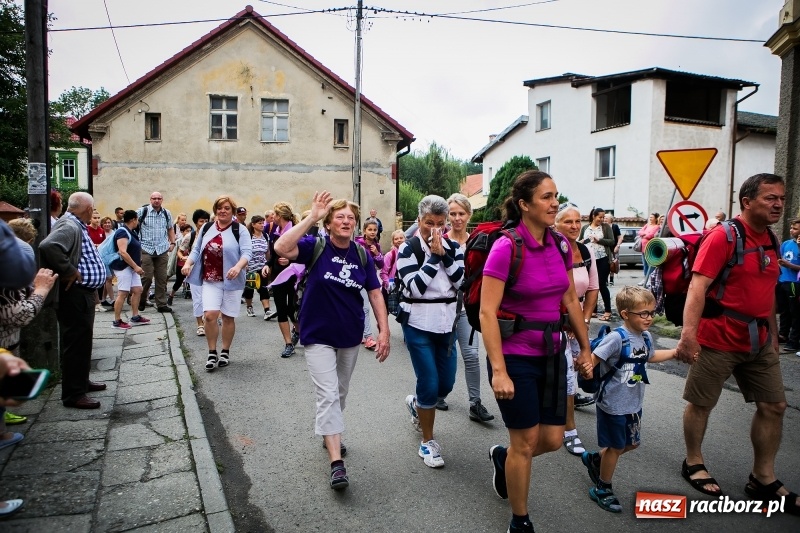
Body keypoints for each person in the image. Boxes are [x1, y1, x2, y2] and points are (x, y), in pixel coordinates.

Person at [675, 173, 800, 516]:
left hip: (759, 339)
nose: (778, 204)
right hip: (718, 337)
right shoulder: (722, 236)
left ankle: (762, 478)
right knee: (702, 403)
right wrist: (689, 335)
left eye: (781, 198)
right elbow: (697, 288)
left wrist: (773, 335)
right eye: (770, 198)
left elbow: (767, 291)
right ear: (747, 202)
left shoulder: (772, 240)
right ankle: (693, 461)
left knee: (775, 406)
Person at [483, 171, 593, 533]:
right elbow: (487, 312)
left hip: (553, 352)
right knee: (526, 441)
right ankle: (520, 520)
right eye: (546, 197)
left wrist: (585, 348)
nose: (554, 203)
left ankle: (504, 457)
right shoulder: (506, 247)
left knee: (552, 439)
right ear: (524, 204)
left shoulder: (560, 244)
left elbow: (570, 298)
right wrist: (499, 370)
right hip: (515, 356)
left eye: (556, 196)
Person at [274, 191, 390, 490]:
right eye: (340, 217)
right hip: (317, 334)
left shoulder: (362, 254)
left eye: (351, 217)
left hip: (350, 333)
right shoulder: (315, 246)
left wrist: (384, 330)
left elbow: (375, 293)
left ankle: (329, 433)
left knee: (340, 392)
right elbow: (281, 247)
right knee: (327, 394)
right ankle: (337, 462)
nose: (347, 221)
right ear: (328, 223)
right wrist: (311, 217)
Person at [581, 287, 676, 513]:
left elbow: (651, 356)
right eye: (643, 313)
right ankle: (603, 488)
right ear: (625, 314)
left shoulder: (646, 337)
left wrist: (676, 352)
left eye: (652, 312)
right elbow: (592, 360)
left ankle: (597, 460)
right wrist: (584, 368)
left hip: (633, 403)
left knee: (631, 443)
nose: (649, 318)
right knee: (615, 446)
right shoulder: (616, 339)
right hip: (612, 404)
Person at [399, 195, 464, 469]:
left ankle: (418, 404)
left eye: (440, 224)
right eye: (429, 223)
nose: (435, 229)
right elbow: (414, 288)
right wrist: (433, 258)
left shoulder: (454, 248)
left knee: (445, 384)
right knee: (428, 380)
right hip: (417, 323)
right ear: (419, 221)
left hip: (447, 324)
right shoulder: (408, 249)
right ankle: (428, 441)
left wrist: (444, 254)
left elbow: (461, 282)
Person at [39, 192, 109, 409]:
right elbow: (48, 246)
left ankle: (81, 382)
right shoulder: (70, 225)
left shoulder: (75, 223)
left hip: (83, 293)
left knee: (82, 341)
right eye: (92, 209)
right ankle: (73, 394)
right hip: (74, 294)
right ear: (88, 209)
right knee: (76, 343)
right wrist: (69, 270)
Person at [432, 193, 495, 422]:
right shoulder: (439, 240)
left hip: (468, 307)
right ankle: (438, 393)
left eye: (461, 213)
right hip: (444, 307)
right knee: (443, 354)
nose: (457, 218)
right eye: (453, 214)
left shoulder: (478, 242)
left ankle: (475, 403)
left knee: (471, 355)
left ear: (469, 215)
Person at [183, 196, 252, 371]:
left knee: (228, 317)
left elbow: (247, 252)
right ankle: (212, 352)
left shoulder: (240, 229)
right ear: (215, 210)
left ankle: (225, 351)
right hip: (210, 279)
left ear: (232, 211)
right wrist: (188, 263)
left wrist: (238, 267)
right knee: (209, 315)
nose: (223, 211)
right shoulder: (207, 228)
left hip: (231, 279)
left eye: (227, 208)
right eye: (219, 208)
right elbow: (196, 249)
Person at [556, 203, 599, 455]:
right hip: (557, 322)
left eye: (577, 221)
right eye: (567, 221)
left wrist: (583, 320)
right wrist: (568, 321)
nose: (574, 226)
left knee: (574, 371)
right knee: (567, 376)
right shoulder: (552, 249)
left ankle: (563, 419)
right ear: (555, 224)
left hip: (578, 321)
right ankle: (569, 430)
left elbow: (592, 288)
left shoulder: (585, 250)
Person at [267, 201, 301, 356]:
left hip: (293, 277)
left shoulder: (295, 232)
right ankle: (288, 344)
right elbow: (273, 255)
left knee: (292, 309)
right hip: (277, 277)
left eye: (274, 214)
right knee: (281, 309)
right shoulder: (275, 232)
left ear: (279, 215)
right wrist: (267, 265)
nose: (272, 216)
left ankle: (298, 331)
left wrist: (290, 260)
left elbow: (303, 255)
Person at [108, 210, 151, 330]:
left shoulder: (131, 232)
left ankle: (135, 316)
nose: (138, 222)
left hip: (131, 267)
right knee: (123, 293)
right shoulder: (122, 232)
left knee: (137, 290)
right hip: (123, 267)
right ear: (133, 219)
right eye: (137, 220)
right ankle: (117, 321)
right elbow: (123, 252)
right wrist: (136, 266)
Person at [137, 191, 175, 313]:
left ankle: (161, 304)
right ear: (150, 199)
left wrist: (172, 243)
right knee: (147, 277)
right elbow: (132, 226)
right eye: (154, 198)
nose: (156, 200)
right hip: (146, 248)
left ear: (162, 200)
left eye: (159, 198)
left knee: (161, 278)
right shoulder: (142, 212)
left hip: (162, 249)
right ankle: (141, 298)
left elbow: (170, 228)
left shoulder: (166, 213)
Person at [579, 208, 615, 321]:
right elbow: (580, 241)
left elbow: (612, 241)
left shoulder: (606, 227)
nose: (602, 219)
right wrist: (581, 243)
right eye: (600, 217)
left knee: (601, 285)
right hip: (588, 260)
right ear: (594, 216)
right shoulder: (585, 227)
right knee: (590, 285)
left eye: (603, 217)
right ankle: (593, 310)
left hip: (603, 259)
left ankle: (608, 311)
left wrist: (599, 240)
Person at [355, 219, 384, 350]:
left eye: (374, 230)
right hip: (359, 279)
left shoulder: (376, 245)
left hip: (371, 280)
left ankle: (362, 334)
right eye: (370, 229)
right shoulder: (358, 244)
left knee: (364, 308)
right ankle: (368, 337)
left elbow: (381, 265)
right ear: (364, 231)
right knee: (364, 308)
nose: (372, 232)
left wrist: (377, 253)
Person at [777, 218, 800, 352]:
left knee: (795, 312)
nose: (792, 231)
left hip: (794, 283)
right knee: (784, 310)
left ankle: (794, 340)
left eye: (795, 229)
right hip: (782, 281)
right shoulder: (786, 243)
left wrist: (789, 265)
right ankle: (783, 334)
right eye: (791, 228)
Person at [243, 215, 272, 319]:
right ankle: (249, 307)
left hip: (262, 267)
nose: (262, 225)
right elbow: (243, 250)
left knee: (263, 288)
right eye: (259, 223)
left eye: (263, 223)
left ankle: (267, 311)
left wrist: (268, 264)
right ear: (253, 224)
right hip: (250, 267)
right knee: (249, 288)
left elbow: (267, 251)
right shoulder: (248, 236)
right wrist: (245, 264)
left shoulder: (265, 236)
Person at [189, 209, 211, 336]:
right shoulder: (191, 236)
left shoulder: (213, 234)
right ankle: (200, 325)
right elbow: (181, 250)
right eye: (201, 221)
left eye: (206, 221)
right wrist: (186, 261)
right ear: (196, 222)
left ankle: (208, 320)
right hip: (194, 271)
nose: (204, 224)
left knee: (209, 298)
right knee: (197, 299)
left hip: (210, 271)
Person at [379, 229, 405, 311]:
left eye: (401, 238)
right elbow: (383, 273)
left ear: (405, 239)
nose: (399, 240)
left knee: (402, 311)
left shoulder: (409, 254)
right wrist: (389, 284)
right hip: (391, 286)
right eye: (396, 239)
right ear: (393, 241)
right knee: (385, 310)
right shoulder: (390, 255)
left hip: (403, 287)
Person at [168, 224, 193, 306]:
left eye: (190, 231)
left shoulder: (192, 239)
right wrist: (182, 257)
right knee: (178, 281)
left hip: (191, 264)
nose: (188, 233)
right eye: (187, 231)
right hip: (181, 264)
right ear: (182, 232)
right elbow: (174, 254)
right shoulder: (179, 241)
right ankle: (171, 295)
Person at [637, 213, 660, 280]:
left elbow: (651, 235)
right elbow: (639, 232)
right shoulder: (647, 225)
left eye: (652, 217)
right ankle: (645, 278)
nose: (650, 219)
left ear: (655, 219)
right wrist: (645, 234)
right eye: (650, 217)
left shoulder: (657, 227)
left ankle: (650, 279)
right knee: (645, 264)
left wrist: (644, 235)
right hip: (643, 248)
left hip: (650, 248)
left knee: (650, 264)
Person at [99, 216, 116, 305]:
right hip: (103, 257)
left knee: (109, 278)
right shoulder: (101, 233)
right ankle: (113, 299)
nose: (107, 224)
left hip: (111, 257)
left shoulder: (114, 233)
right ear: (102, 224)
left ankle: (103, 299)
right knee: (108, 278)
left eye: (109, 222)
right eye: (105, 223)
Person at [604, 214, 622, 286]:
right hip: (604, 248)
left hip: (613, 248)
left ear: (611, 219)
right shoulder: (602, 226)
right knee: (605, 264)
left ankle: (611, 280)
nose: (605, 219)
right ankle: (605, 280)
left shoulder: (615, 227)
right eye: (604, 218)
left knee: (613, 264)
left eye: (606, 218)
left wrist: (617, 246)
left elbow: (620, 237)